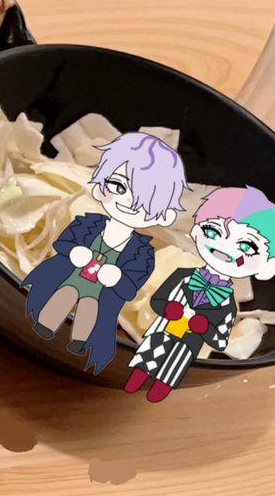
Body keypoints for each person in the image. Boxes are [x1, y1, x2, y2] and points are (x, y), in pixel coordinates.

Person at [22, 132, 187, 373]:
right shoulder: (87, 222)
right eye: (118, 186)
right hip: (75, 275)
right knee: (65, 294)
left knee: (90, 308)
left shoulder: (141, 251)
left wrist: (118, 277)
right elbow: (66, 242)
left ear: (164, 215)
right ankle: (44, 326)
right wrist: (73, 252)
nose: (127, 201)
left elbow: (134, 279)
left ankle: (79, 341)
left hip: (100, 290)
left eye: (145, 201)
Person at [126, 185, 275, 401]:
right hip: (161, 330)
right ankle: (136, 379)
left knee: (172, 369)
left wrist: (205, 329)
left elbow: (220, 337)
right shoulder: (182, 269)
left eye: (246, 247)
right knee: (147, 357)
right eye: (214, 232)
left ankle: (159, 388)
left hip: (190, 344)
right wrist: (166, 307)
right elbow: (158, 299)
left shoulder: (227, 302)